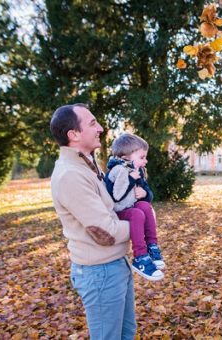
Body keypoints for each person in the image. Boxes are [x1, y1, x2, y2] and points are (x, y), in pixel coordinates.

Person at [49, 103, 137, 339]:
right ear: (74, 135)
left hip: (116, 266)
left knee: (127, 334)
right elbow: (104, 232)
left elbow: (112, 209)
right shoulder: (71, 174)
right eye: (92, 123)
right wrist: (142, 228)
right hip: (100, 273)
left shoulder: (86, 165)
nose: (100, 127)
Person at [104, 133, 165, 281]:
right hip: (119, 211)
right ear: (126, 156)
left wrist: (144, 193)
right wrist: (131, 181)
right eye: (142, 157)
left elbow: (148, 195)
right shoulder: (117, 171)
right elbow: (115, 196)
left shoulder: (138, 171)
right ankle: (140, 257)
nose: (146, 160)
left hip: (132, 207)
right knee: (137, 213)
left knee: (144, 205)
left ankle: (152, 246)